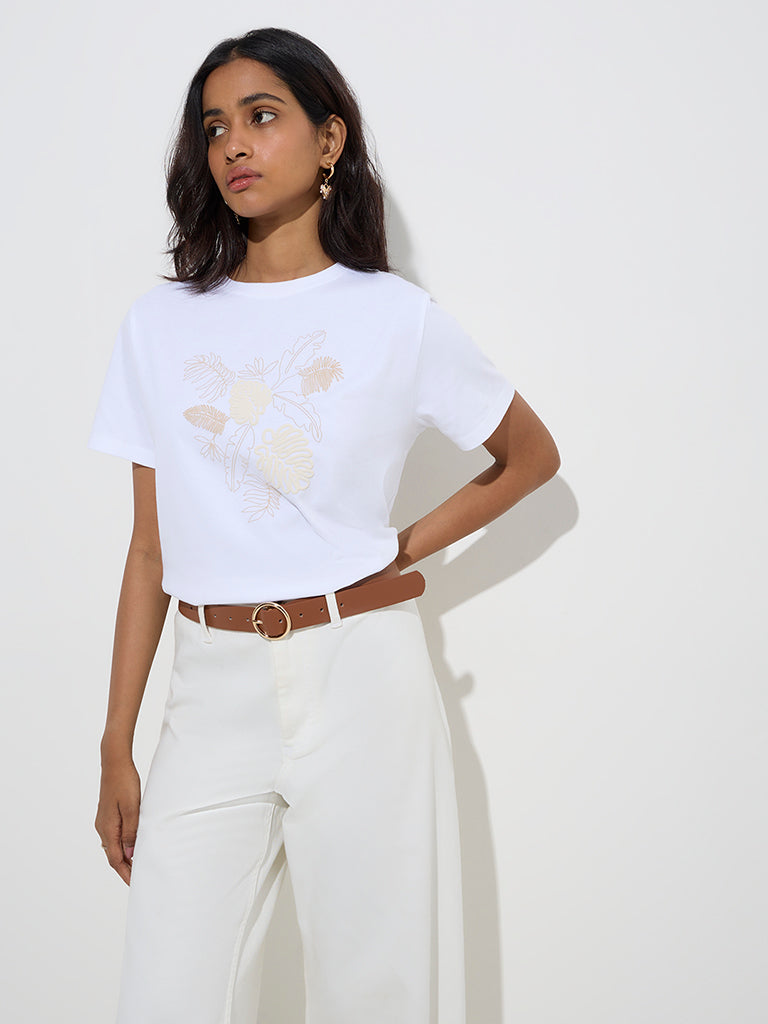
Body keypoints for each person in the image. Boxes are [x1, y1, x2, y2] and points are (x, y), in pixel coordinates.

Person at [89, 26, 560, 1024]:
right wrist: (115, 742)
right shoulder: (159, 326)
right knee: (165, 993)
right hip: (208, 687)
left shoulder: (395, 317)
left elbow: (529, 457)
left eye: (262, 116)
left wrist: (398, 550)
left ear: (329, 139)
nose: (233, 144)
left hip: (362, 675)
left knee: (377, 991)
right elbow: (148, 550)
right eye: (215, 126)